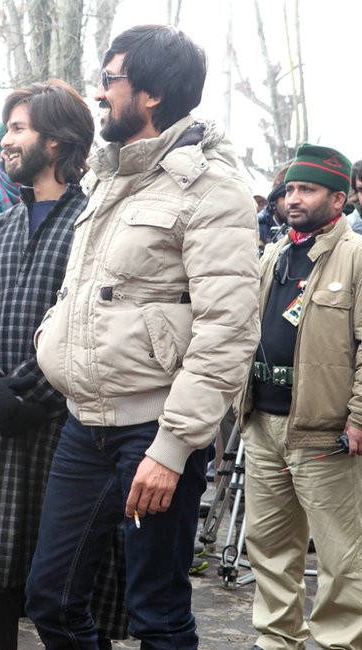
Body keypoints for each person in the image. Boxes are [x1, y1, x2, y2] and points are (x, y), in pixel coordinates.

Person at [26, 25, 261, 649]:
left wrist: (172, 447)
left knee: (156, 612)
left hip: (155, 429)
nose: (99, 94)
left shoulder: (214, 188)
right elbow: (88, 290)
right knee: (50, 598)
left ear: (151, 94)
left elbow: (228, 331)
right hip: (84, 425)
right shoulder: (108, 176)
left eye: (110, 80)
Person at [0, 80, 126, 650]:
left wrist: (26, 394)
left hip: (62, 433)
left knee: (62, 598)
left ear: (57, 141)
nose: (6, 140)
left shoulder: (94, 226)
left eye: (19, 128)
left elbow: (91, 328)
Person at [236, 143, 362, 650]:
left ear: (340, 199)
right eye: (290, 188)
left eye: (307, 189)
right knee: (268, 547)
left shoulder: (355, 258)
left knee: (341, 557)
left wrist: (358, 418)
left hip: (325, 433)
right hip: (264, 424)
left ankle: (339, 643)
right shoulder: (275, 254)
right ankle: (276, 641)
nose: (294, 198)